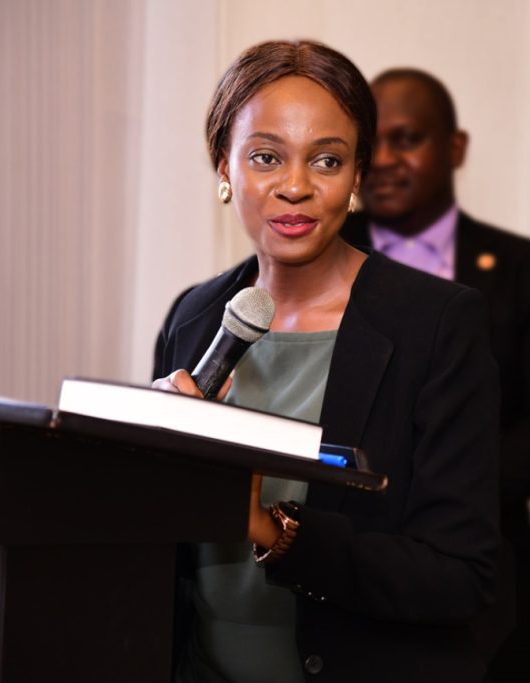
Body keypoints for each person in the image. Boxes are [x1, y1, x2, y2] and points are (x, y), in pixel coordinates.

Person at [152, 41, 501, 682]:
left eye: (327, 160)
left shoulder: (437, 324)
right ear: (222, 169)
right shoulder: (193, 317)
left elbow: (460, 577)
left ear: (358, 175)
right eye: (265, 157)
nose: (295, 186)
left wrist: (270, 528)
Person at [341, 68, 530, 682]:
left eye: (409, 139)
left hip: (480, 573)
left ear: (455, 149)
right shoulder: (314, 253)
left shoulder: (528, 271)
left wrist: (443, 487)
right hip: (341, 564)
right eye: (373, 144)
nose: (386, 162)